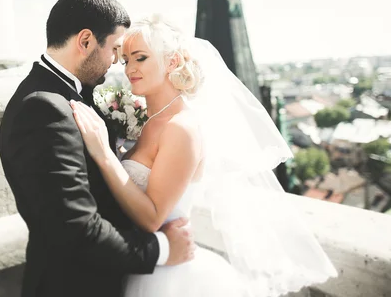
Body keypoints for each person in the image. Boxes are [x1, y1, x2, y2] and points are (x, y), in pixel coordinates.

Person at [70, 15, 338, 296]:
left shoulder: (181, 128)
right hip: (140, 262)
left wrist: (104, 155)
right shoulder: (151, 122)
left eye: (140, 58)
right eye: (126, 60)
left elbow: (151, 218)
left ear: (171, 62)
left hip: (167, 277)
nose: (129, 69)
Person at [0, 0, 195, 297]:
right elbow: (76, 229)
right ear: (86, 41)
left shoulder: (70, 95)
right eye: (116, 50)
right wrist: (162, 248)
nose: (119, 63)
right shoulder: (43, 109)